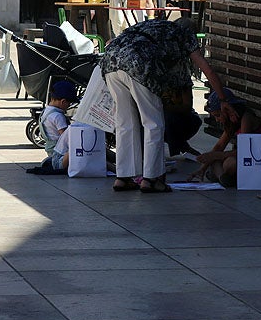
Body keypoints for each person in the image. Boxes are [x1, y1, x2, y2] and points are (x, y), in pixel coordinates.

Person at [100, 16, 238, 193]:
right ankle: (152, 179)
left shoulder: (155, 25)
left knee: (125, 123)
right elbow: (207, 69)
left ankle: (123, 178)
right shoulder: (183, 35)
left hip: (110, 61)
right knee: (153, 123)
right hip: (139, 63)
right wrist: (223, 99)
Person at [189, 89, 261, 187]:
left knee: (230, 162)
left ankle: (221, 177)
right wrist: (202, 168)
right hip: (244, 159)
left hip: (256, 159)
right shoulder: (232, 122)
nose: (217, 119)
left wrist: (217, 155)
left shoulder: (246, 118)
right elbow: (219, 146)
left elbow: (246, 151)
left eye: (218, 115)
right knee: (214, 160)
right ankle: (223, 178)